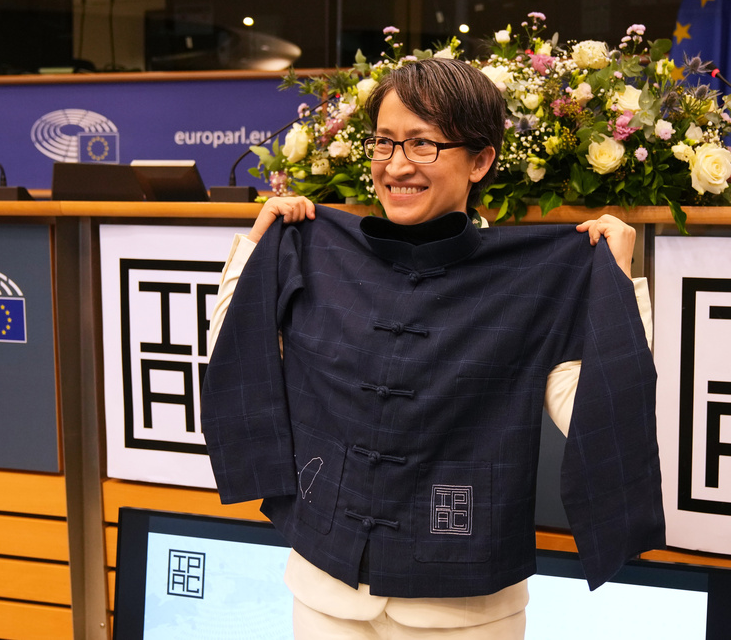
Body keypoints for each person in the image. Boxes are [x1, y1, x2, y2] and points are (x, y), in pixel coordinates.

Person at [202, 57, 664, 639]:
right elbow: (237, 358)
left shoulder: (531, 281)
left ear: (481, 160)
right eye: (384, 143)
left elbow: (594, 413)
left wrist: (618, 287)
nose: (397, 166)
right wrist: (257, 247)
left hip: (464, 607)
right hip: (325, 590)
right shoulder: (317, 255)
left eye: (422, 146)